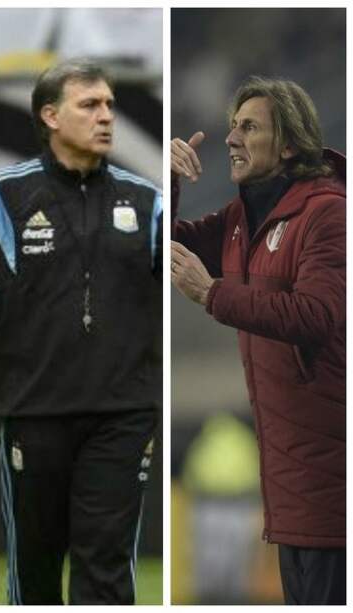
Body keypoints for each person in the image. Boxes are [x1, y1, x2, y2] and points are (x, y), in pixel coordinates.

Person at [0, 59, 162, 605]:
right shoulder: (4, 198)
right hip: (33, 411)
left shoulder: (146, 201)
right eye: (90, 105)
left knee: (106, 568)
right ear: (50, 116)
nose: (107, 116)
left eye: (110, 104)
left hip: (122, 415)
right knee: (36, 572)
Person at [171, 76, 345, 605]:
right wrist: (168, 183)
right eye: (232, 126)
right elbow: (159, 249)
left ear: (288, 144)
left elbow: (318, 314)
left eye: (249, 127)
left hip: (331, 476)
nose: (232, 137)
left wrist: (213, 294)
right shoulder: (241, 220)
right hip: (290, 480)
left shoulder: (328, 212)